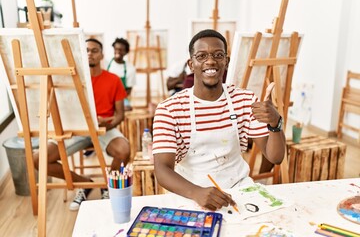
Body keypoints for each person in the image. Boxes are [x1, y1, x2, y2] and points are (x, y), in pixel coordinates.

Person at [152, 29, 285, 211]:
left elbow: (275, 157)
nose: (210, 61)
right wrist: (197, 193)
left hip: (239, 189)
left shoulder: (244, 100)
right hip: (190, 192)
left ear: (226, 61)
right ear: (191, 64)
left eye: (218, 55)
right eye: (202, 56)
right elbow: (162, 170)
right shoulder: (170, 109)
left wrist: (275, 123)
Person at [34, 38, 130, 211]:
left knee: (124, 151)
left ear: (102, 55)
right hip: (76, 130)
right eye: (86, 50)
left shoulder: (114, 79)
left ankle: (108, 187)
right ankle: (84, 183)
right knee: (37, 159)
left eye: (94, 51)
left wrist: (106, 126)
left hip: (103, 129)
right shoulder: (70, 80)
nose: (89, 54)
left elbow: (120, 115)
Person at [107, 37, 136, 111]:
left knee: (126, 108)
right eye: (116, 49)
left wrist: (116, 101)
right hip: (106, 96)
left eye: (121, 50)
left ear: (126, 52)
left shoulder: (130, 68)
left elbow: (128, 90)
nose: (118, 51)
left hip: (122, 98)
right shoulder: (106, 64)